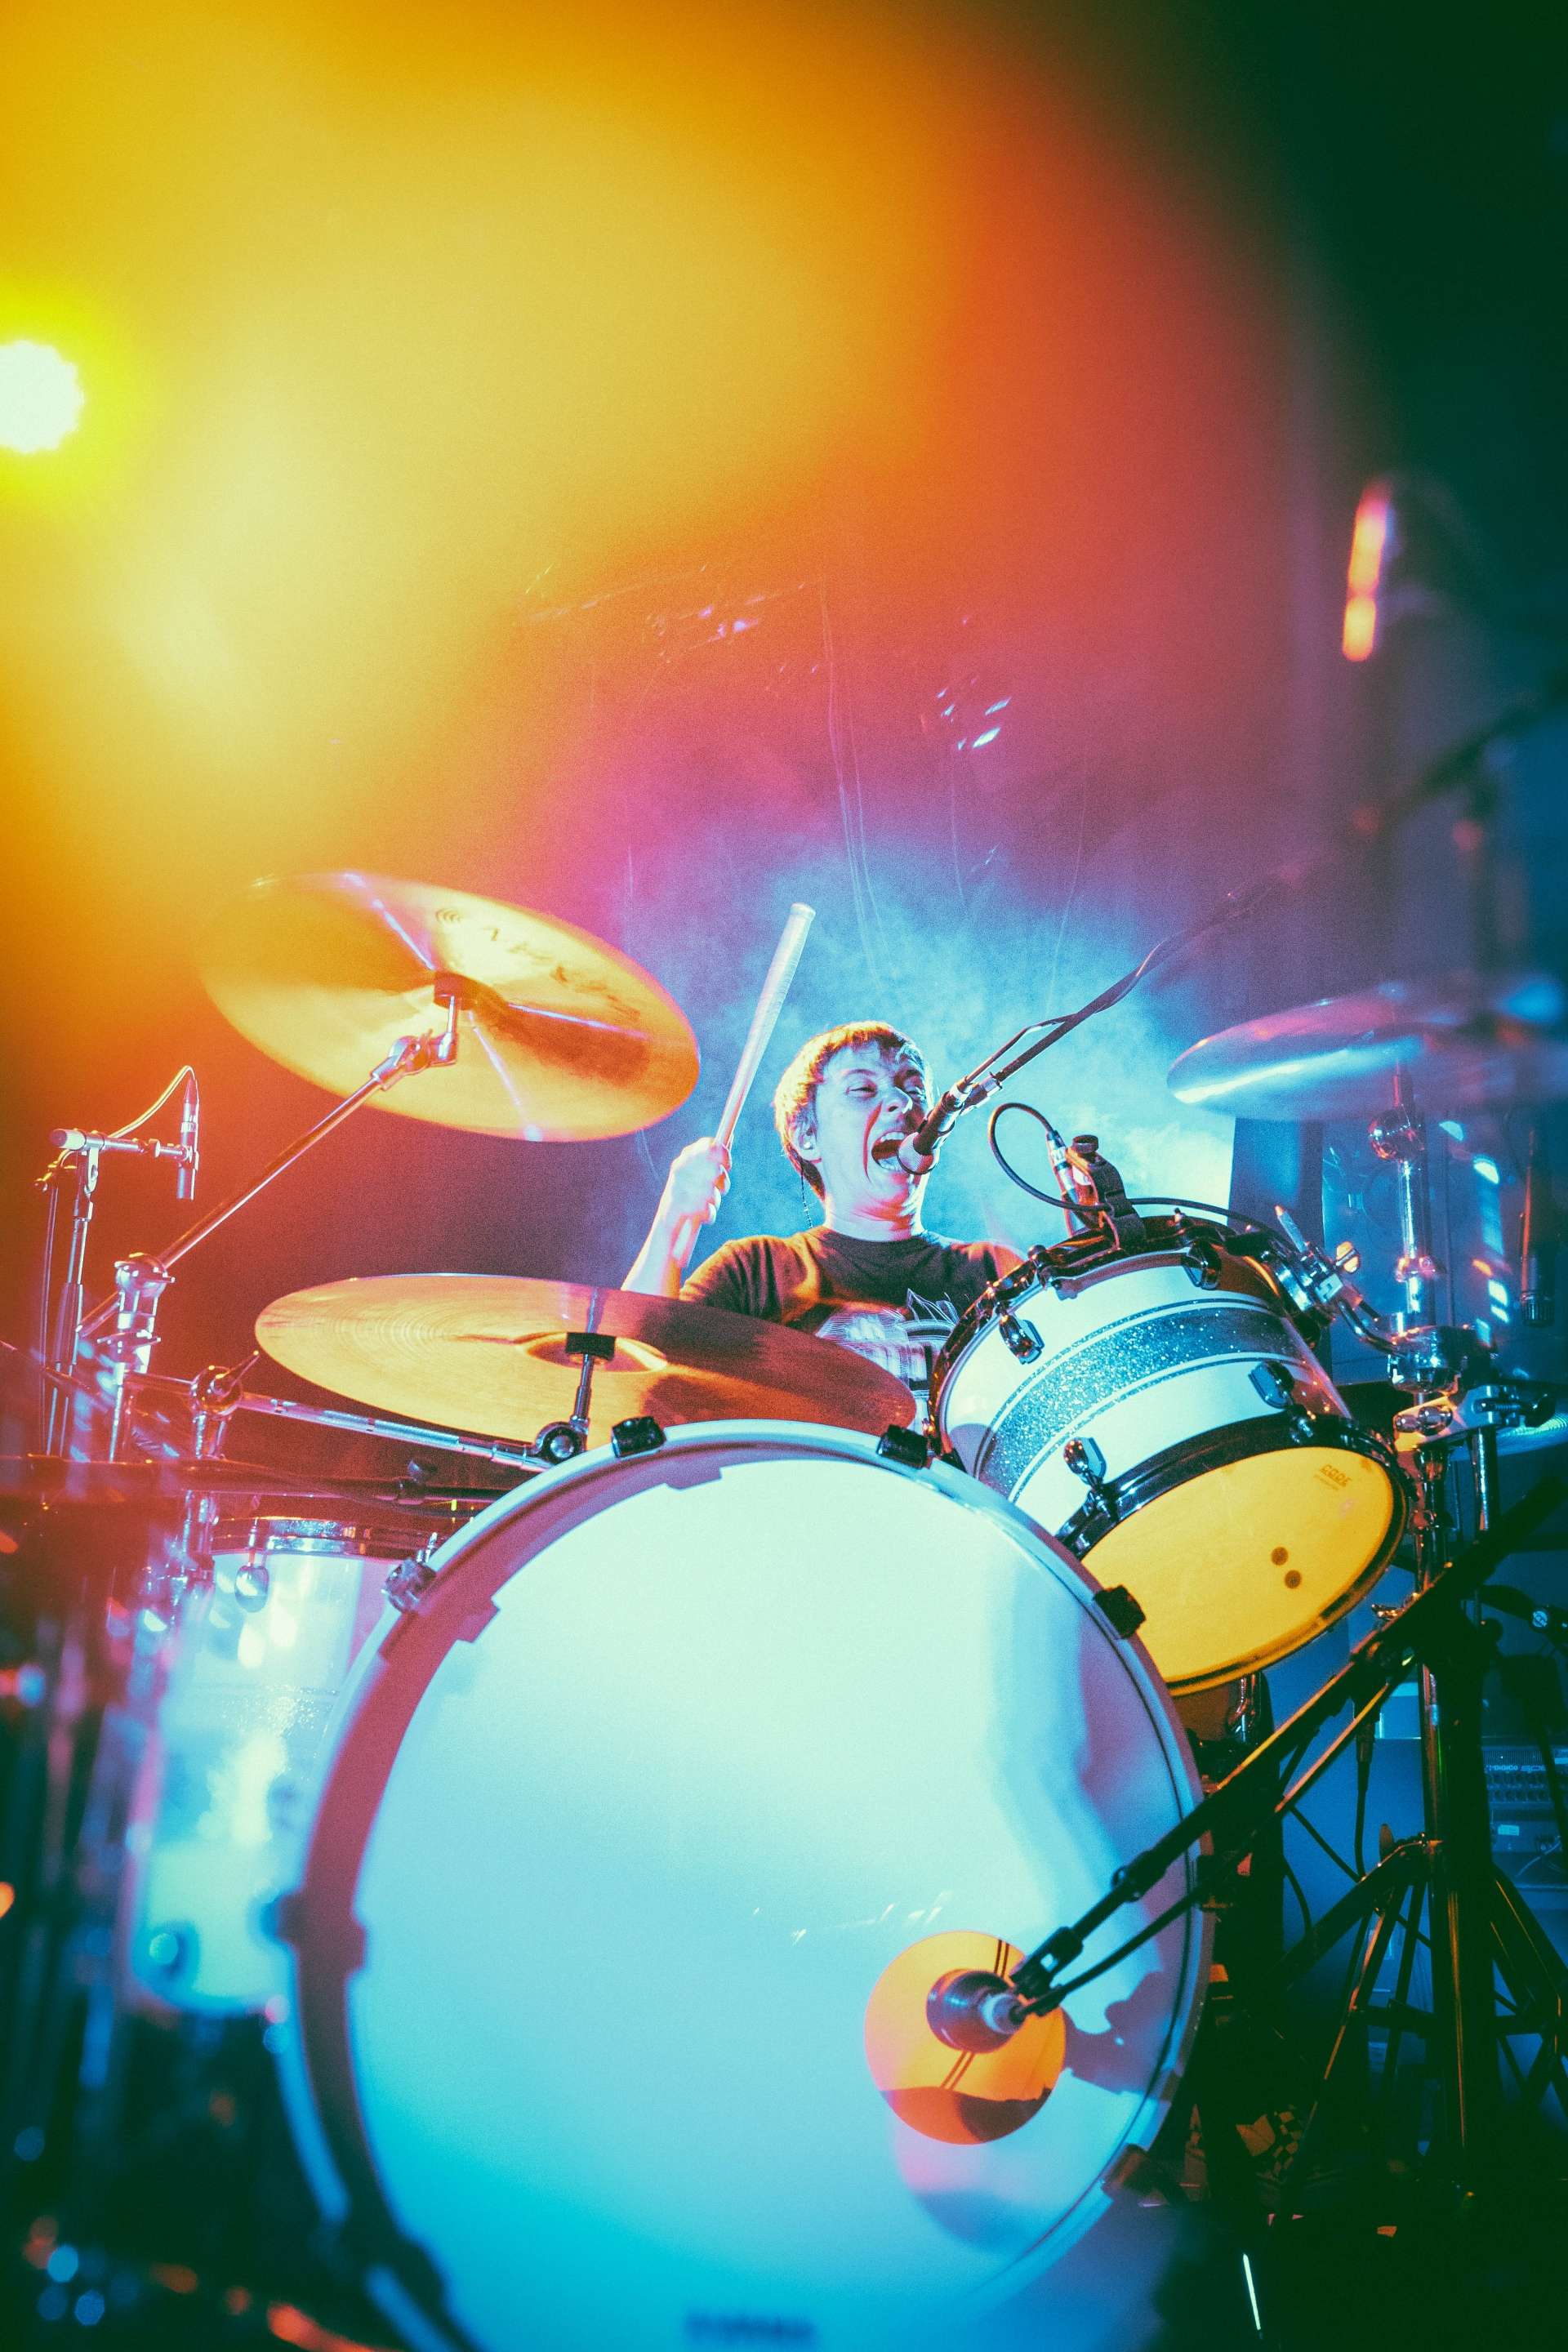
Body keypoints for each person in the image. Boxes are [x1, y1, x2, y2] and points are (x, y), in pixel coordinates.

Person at [623, 1021, 1020, 1402]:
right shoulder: (758, 1271)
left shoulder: (994, 1271)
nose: (901, 1102)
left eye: (914, 1089)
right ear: (808, 1136)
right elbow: (631, 1376)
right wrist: (671, 1222)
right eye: (863, 1089)